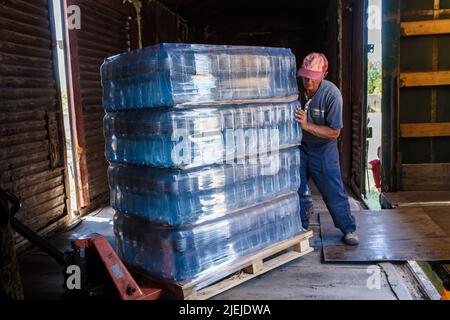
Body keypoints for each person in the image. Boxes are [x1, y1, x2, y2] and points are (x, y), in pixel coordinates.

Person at [295, 52, 359, 246]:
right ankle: (300, 229)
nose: (308, 82)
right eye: (305, 76)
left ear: (324, 74)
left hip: (323, 148)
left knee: (332, 190)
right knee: (295, 189)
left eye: (312, 78)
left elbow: (335, 132)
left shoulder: (332, 95)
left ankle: (348, 228)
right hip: (299, 147)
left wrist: (307, 126)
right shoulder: (294, 89)